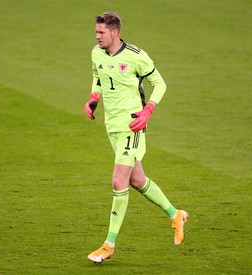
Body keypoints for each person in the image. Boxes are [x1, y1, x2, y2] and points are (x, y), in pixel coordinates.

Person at [84, 11, 188, 264]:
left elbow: (159, 83)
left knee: (118, 181)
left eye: (101, 32)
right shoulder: (96, 53)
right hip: (112, 126)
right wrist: (93, 98)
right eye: (96, 31)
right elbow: (98, 76)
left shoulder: (135, 57)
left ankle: (109, 244)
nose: (97, 36)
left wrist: (148, 111)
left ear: (115, 32)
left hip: (132, 125)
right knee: (137, 180)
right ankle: (176, 215)